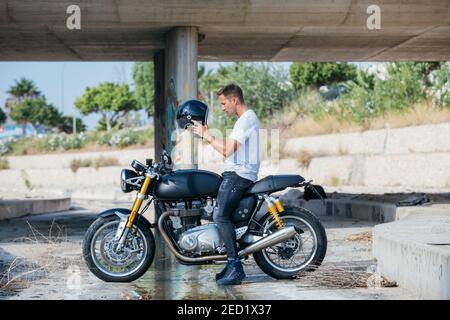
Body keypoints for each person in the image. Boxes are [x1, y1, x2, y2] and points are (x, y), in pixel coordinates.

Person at [192, 84, 260, 286]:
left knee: (220, 216)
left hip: (240, 174)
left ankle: (235, 265)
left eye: (223, 103)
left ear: (234, 100)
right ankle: (229, 263)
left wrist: (207, 135)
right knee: (216, 210)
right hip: (235, 173)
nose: (222, 107)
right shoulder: (243, 120)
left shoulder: (246, 120)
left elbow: (227, 150)